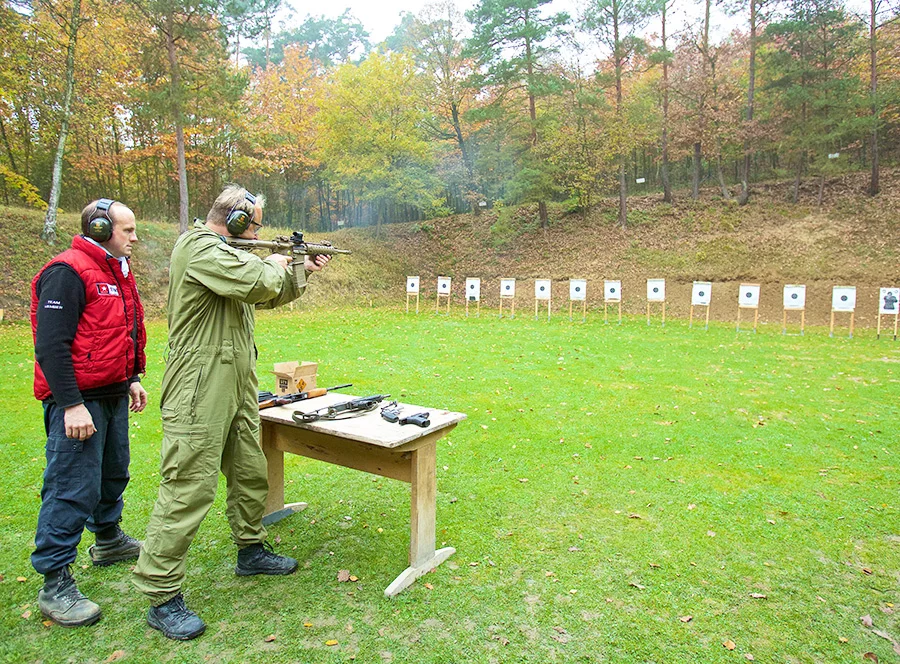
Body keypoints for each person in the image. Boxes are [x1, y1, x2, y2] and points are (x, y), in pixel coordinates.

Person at [133, 184, 329, 641]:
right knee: (188, 483)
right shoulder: (200, 247)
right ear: (237, 220)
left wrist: (301, 267)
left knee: (249, 467)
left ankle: (251, 549)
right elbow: (259, 280)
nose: (256, 233)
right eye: (254, 224)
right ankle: (161, 593)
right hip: (199, 382)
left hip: (237, 377)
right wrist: (279, 262)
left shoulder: (227, 252)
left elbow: (268, 295)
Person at [30, 198, 148, 627]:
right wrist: (71, 404)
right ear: (100, 229)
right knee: (71, 487)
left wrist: (132, 376)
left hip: (112, 393)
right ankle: (55, 582)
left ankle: (109, 538)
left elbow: (121, 330)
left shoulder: (115, 271)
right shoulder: (66, 272)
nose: (134, 237)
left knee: (113, 472)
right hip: (79, 401)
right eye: (127, 230)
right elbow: (50, 346)